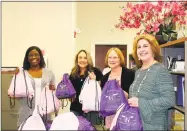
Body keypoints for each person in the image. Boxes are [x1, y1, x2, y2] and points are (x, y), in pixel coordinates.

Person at [128, 34, 175, 130]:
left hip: (154, 126)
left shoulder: (160, 70)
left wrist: (141, 103)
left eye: (145, 46)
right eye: (139, 47)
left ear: (153, 49)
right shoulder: (138, 71)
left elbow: (169, 100)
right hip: (137, 124)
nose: (142, 50)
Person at [11, 46, 56, 128]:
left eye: (36, 54)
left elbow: (53, 91)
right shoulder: (22, 73)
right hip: (26, 113)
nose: (34, 57)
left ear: (40, 57)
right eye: (30, 55)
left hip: (45, 114)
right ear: (27, 58)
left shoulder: (49, 73)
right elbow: (14, 94)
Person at [100, 47, 135, 129]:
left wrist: (118, 88)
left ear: (120, 59)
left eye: (115, 57)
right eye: (110, 57)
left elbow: (133, 94)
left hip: (126, 114)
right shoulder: (104, 78)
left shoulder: (130, 74)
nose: (112, 60)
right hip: (110, 115)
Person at [69, 49, 103, 125]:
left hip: (91, 109)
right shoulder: (73, 74)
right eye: (80, 58)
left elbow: (102, 89)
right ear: (77, 60)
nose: (82, 60)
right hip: (76, 109)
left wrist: (95, 80)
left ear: (88, 59)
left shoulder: (95, 71)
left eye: (85, 58)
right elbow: (70, 94)